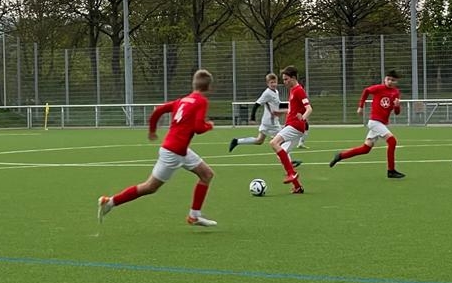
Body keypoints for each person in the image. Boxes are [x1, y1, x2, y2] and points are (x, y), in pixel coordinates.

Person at [97, 69, 218, 227]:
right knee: (150, 187)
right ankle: (110, 202)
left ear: (193, 84)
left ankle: (194, 216)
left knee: (207, 174)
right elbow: (198, 128)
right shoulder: (201, 101)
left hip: (180, 149)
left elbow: (158, 110)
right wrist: (209, 125)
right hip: (173, 152)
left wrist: (152, 130)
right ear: (209, 87)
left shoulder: (182, 100)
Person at [329, 70, 406, 178]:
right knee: (392, 142)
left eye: (392, 80)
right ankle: (391, 170)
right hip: (375, 122)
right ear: (384, 79)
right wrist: (361, 106)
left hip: (381, 123)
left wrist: (397, 106)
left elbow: (397, 112)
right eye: (388, 79)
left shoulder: (396, 92)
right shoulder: (379, 88)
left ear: (396, 82)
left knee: (366, 149)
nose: (389, 82)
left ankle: (340, 155)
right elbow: (366, 91)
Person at [228, 73, 300, 166]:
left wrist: (292, 105)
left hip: (269, 121)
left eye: (275, 82)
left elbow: (278, 105)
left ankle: (237, 141)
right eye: (271, 82)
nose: (273, 84)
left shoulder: (276, 91)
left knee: (259, 140)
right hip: (271, 123)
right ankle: (288, 162)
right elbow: (256, 104)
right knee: (281, 141)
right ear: (267, 83)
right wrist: (252, 118)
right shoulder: (267, 93)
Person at [269, 66, 310, 194]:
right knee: (281, 155)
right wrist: (281, 112)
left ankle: (291, 173)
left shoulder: (299, 90)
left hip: (295, 126)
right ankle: (297, 186)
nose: (284, 82)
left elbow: (309, 108)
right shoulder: (293, 90)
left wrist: (303, 118)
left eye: (286, 79)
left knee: (274, 143)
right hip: (293, 126)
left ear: (293, 78)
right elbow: (293, 109)